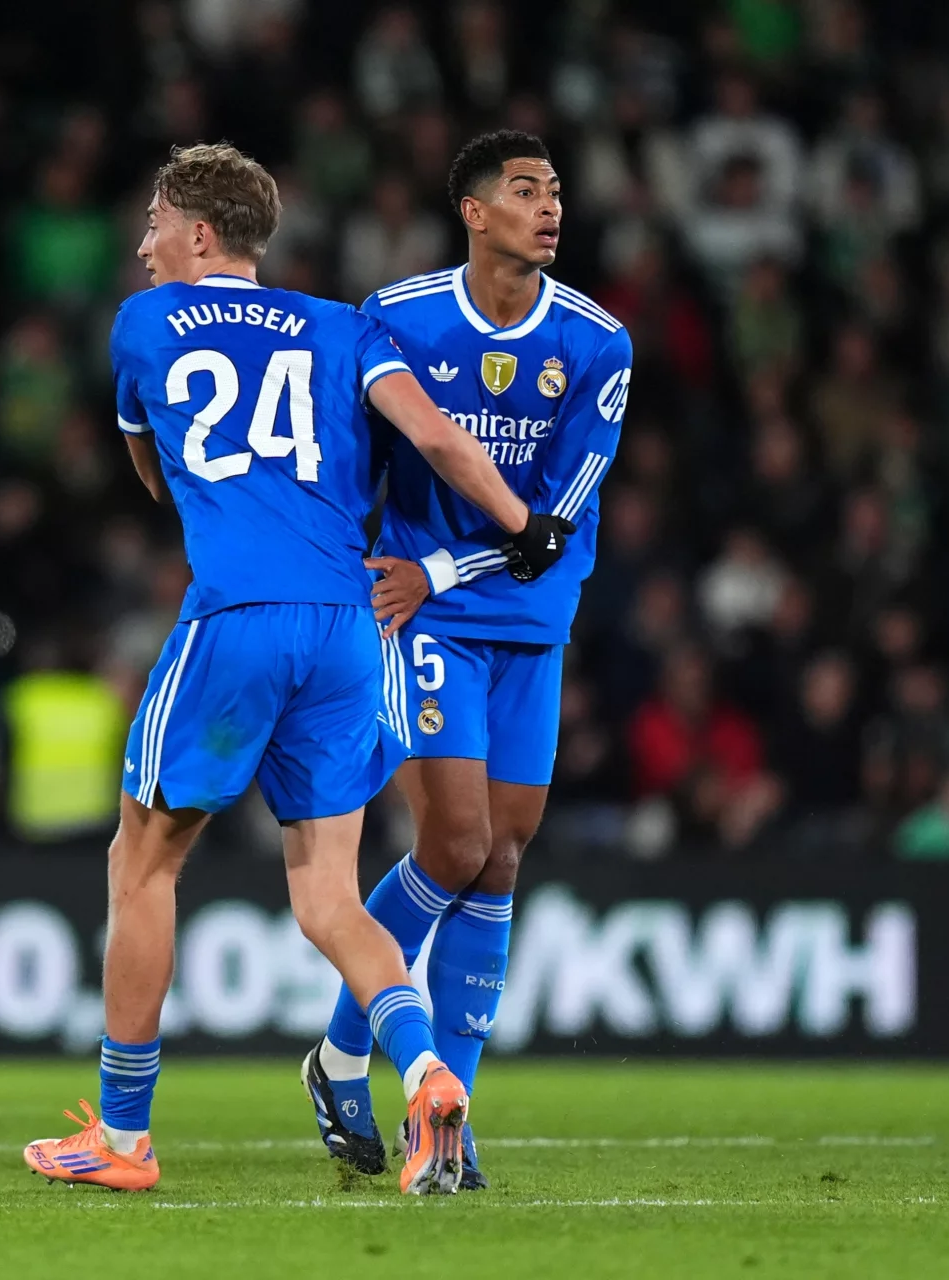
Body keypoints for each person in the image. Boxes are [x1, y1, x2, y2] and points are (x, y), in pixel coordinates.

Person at [20, 143, 573, 1198]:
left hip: (236, 614)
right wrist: (522, 522)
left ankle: (124, 1134)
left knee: (142, 865)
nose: (140, 246)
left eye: (152, 224)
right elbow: (442, 438)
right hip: (348, 627)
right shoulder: (345, 326)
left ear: (198, 235)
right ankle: (425, 1074)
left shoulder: (143, 323)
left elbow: (156, 472)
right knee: (327, 897)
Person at [301, 131, 633, 1190]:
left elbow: (553, 523)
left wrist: (437, 568)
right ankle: (351, 1052)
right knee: (453, 841)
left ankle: (453, 1123)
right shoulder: (395, 315)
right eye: (527, 191)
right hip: (426, 621)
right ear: (474, 212)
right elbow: (363, 453)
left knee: (503, 855)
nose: (551, 208)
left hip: (522, 614)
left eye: (558, 192)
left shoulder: (597, 342)